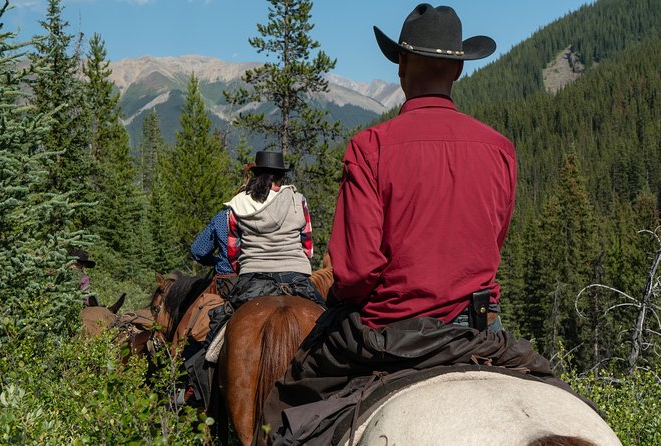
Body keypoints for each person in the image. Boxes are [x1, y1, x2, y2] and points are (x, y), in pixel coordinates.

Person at [260, 5, 599, 444]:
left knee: (287, 407)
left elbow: (358, 270)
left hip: (389, 331)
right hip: (478, 329)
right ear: (457, 69)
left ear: (401, 65)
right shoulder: (499, 149)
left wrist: (343, 298)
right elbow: (492, 243)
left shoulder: (370, 148)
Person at [205, 150, 325, 345]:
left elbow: (233, 252)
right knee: (328, 325)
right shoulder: (298, 200)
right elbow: (307, 247)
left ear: (255, 175)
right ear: (281, 176)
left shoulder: (239, 204)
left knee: (218, 332)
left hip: (253, 276)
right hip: (295, 275)